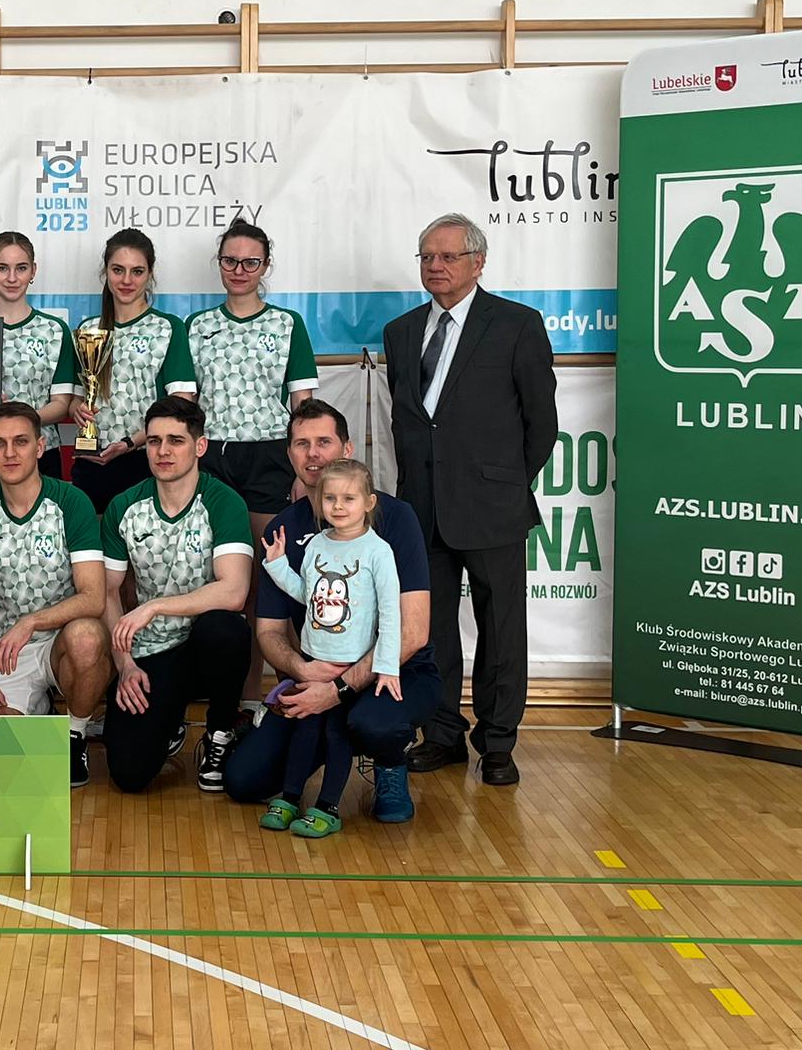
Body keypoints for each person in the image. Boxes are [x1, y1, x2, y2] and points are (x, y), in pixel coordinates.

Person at [382, 214, 558, 786]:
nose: (435, 266)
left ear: (478, 263)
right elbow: (411, 422)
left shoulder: (516, 324)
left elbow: (542, 423)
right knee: (429, 630)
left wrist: (506, 484)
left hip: (493, 507)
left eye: (448, 256)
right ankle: (441, 734)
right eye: (427, 257)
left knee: (501, 630)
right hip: (421, 508)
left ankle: (498, 742)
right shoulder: (401, 331)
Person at [223, 399, 438, 823]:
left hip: (393, 671)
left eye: (324, 442)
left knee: (371, 722)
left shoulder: (395, 519)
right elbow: (269, 632)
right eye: (301, 444)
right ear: (289, 454)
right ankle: (294, 787)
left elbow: (412, 632)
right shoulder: (284, 529)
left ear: (347, 448)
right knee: (243, 781)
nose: (313, 454)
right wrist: (303, 672)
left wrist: (338, 689)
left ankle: (388, 760)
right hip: (318, 670)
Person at [185, 219, 318, 706]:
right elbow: (186, 406)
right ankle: (218, 699)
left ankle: (256, 700)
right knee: (218, 582)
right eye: (230, 260)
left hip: (269, 456)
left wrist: (304, 472)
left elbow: (303, 405)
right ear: (219, 263)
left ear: (265, 266)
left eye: (250, 262)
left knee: (266, 582)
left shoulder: (287, 324)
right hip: (213, 458)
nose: (239, 270)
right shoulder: (198, 326)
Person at [101, 396, 254, 793]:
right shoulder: (124, 506)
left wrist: (154, 606)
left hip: (205, 647)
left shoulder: (223, 502)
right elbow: (108, 593)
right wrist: (124, 664)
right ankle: (169, 719)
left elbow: (234, 591)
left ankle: (220, 730)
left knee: (225, 628)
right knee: (129, 774)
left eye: (176, 440)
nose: (163, 451)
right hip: (152, 650)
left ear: (199, 446)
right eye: (154, 441)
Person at [0, 402, 111, 786]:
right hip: (7, 652)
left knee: (88, 636)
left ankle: (74, 733)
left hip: (63, 642)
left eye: (21, 442)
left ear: (40, 447)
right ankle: (36, 712)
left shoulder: (71, 502)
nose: (10, 453)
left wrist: (31, 622)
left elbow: (93, 597)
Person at [257, 458, 400, 838]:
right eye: (330, 498)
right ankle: (290, 797)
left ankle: (328, 807)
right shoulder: (318, 544)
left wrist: (387, 667)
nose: (338, 506)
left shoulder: (378, 551)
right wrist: (277, 565)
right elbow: (308, 594)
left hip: (350, 668)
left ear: (368, 502)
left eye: (348, 498)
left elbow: (391, 613)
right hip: (313, 658)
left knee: (337, 736)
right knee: (304, 730)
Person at [70, 229, 196, 514]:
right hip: (92, 462)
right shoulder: (88, 330)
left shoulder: (168, 328)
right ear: (105, 272)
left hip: (148, 461)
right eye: (118, 270)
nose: (126, 280)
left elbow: (182, 404)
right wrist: (78, 410)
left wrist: (129, 443)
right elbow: (76, 400)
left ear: (150, 274)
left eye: (137, 271)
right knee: (93, 541)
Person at [0, 232, 78, 505]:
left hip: (38, 454)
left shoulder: (54, 331)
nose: (12, 278)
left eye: (21, 268)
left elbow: (62, 405)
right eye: (2, 268)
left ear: (33, 271)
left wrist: (17, 419)